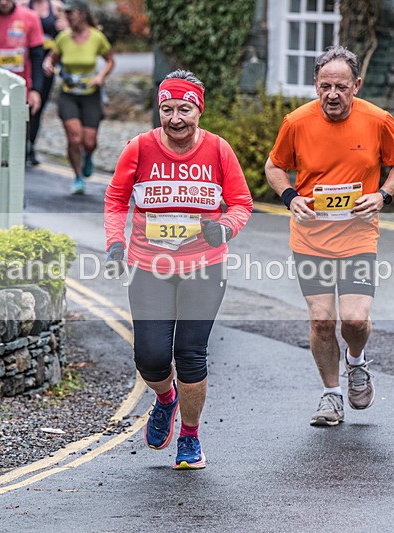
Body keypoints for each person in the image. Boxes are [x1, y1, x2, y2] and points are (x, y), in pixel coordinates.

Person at [104, 70, 253, 469]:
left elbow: (241, 202)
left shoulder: (219, 151)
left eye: (184, 109)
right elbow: (117, 199)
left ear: (198, 110)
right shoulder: (139, 148)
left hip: (203, 265)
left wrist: (224, 227)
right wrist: (115, 242)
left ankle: (190, 437)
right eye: (167, 109)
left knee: (190, 354)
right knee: (150, 358)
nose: (175, 119)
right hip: (148, 265)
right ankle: (165, 398)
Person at [264, 46, 394, 427]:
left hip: (357, 236)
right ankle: (331, 396)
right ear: (316, 85)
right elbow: (274, 166)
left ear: (356, 86)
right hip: (310, 239)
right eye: (326, 86)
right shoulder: (296, 122)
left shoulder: (378, 120)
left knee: (354, 319)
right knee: (320, 321)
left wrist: (383, 194)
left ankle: (356, 361)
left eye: (342, 87)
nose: (333, 94)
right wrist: (290, 197)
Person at [43, 0, 114, 194]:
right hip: (68, 95)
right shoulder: (63, 38)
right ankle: (78, 176)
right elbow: (51, 58)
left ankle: (88, 156)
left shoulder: (96, 37)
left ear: (82, 13)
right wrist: (48, 64)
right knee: (74, 138)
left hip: (90, 95)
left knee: (89, 141)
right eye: (66, 13)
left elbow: (110, 61)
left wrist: (100, 76)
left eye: (71, 13)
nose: (67, 17)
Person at [24, 0, 69, 166]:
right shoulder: (23, 5)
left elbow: (67, 33)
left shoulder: (56, 7)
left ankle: (31, 147)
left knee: (37, 108)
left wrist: (52, 57)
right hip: (27, 62)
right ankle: (20, 147)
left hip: (46, 66)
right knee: (23, 108)